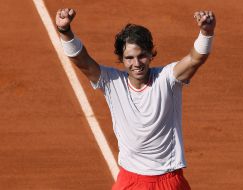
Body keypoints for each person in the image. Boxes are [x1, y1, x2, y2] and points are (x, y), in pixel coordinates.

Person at [55, 8, 216, 190]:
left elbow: (195, 59)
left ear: (150, 54)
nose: (136, 63)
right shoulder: (112, 82)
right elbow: (82, 61)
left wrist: (206, 33)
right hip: (130, 181)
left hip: (168, 181)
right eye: (129, 58)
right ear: (122, 60)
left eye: (141, 56)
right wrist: (65, 31)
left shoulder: (168, 78)